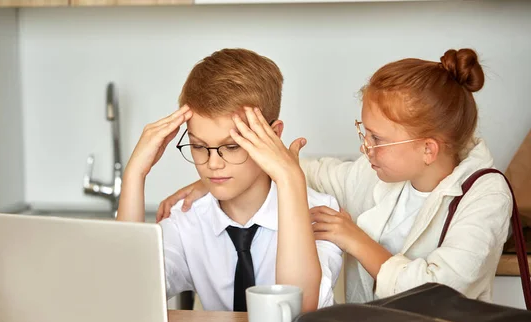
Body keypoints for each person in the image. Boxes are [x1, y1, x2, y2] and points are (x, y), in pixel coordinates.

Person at [157, 48, 513, 304]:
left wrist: (355, 240)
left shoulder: (486, 193)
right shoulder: (375, 175)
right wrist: (215, 175)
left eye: (377, 139)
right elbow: (303, 169)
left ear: (428, 149)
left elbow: (441, 290)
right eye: (364, 133)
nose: (365, 148)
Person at [117, 48, 343, 311]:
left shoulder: (319, 213)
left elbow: (297, 312)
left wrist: (290, 178)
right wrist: (135, 175)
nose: (213, 164)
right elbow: (127, 296)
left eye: (232, 147)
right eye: (199, 146)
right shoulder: (188, 218)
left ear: (274, 135)